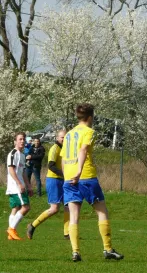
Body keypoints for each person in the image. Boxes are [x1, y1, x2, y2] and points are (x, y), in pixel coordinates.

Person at [60, 103, 123, 262]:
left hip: (69, 178)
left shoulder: (68, 134)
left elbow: (63, 157)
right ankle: (108, 249)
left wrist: (67, 175)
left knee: (74, 216)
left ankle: (75, 252)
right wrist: (79, 171)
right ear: (90, 117)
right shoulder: (89, 132)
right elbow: (83, 149)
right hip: (86, 177)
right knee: (102, 212)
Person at [27, 130, 70, 240]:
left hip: (62, 180)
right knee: (54, 209)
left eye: (66, 137)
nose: (64, 139)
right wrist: (64, 174)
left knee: (68, 206)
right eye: (62, 137)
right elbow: (51, 166)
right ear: (57, 138)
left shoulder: (64, 149)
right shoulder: (54, 148)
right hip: (54, 180)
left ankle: (67, 233)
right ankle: (32, 226)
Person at [6, 132, 33, 240]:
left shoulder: (22, 155)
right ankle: (11, 229)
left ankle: (10, 235)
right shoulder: (13, 153)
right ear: (15, 141)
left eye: (23, 139)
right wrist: (19, 183)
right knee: (26, 207)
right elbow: (11, 169)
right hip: (15, 186)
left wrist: (29, 186)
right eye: (20, 139)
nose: (22, 141)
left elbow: (23, 172)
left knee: (15, 208)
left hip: (19, 185)